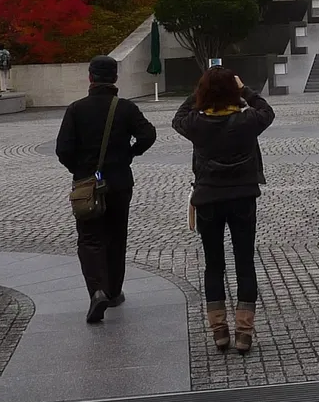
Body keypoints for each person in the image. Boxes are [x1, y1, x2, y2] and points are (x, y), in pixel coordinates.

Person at [173, 66, 276, 353]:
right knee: (244, 263)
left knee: (213, 265)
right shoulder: (247, 120)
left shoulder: (196, 123)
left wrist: (201, 90)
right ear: (234, 91)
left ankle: (219, 330)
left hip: (208, 199)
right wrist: (244, 90)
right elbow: (266, 110)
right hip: (243, 197)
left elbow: (177, 118)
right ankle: (244, 332)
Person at [55, 54, 158, 323]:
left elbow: (63, 149)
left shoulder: (76, 109)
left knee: (89, 239)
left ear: (90, 77)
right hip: (119, 181)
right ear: (115, 78)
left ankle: (97, 290)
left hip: (87, 185)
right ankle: (113, 291)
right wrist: (130, 154)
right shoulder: (125, 108)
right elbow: (148, 134)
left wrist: (80, 171)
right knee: (116, 236)